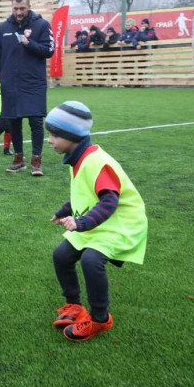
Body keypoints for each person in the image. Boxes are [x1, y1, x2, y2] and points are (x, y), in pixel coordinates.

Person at [45, 101, 147, 342]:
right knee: (62, 255)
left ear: (72, 136)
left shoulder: (97, 162)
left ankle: (100, 319)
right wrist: (63, 211)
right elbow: (84, 193)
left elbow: (109, 201)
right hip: (96, 222)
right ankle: (74, 306)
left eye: (55, 135)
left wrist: (81, 224)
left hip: (120, 224)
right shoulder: (77, 157)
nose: (50, 140)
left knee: (91, 260)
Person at [0, 0, 54, 176]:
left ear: (29, 7)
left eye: (22, 8)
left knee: (36, 121)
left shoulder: (42, 25)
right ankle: (18, 158)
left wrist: (28, 43)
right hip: (10, 83)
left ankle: (36, 159)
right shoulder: (3, 28)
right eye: (15, 8)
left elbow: (49, 50)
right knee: (13, 122)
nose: (18, 12)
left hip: (33, 82)